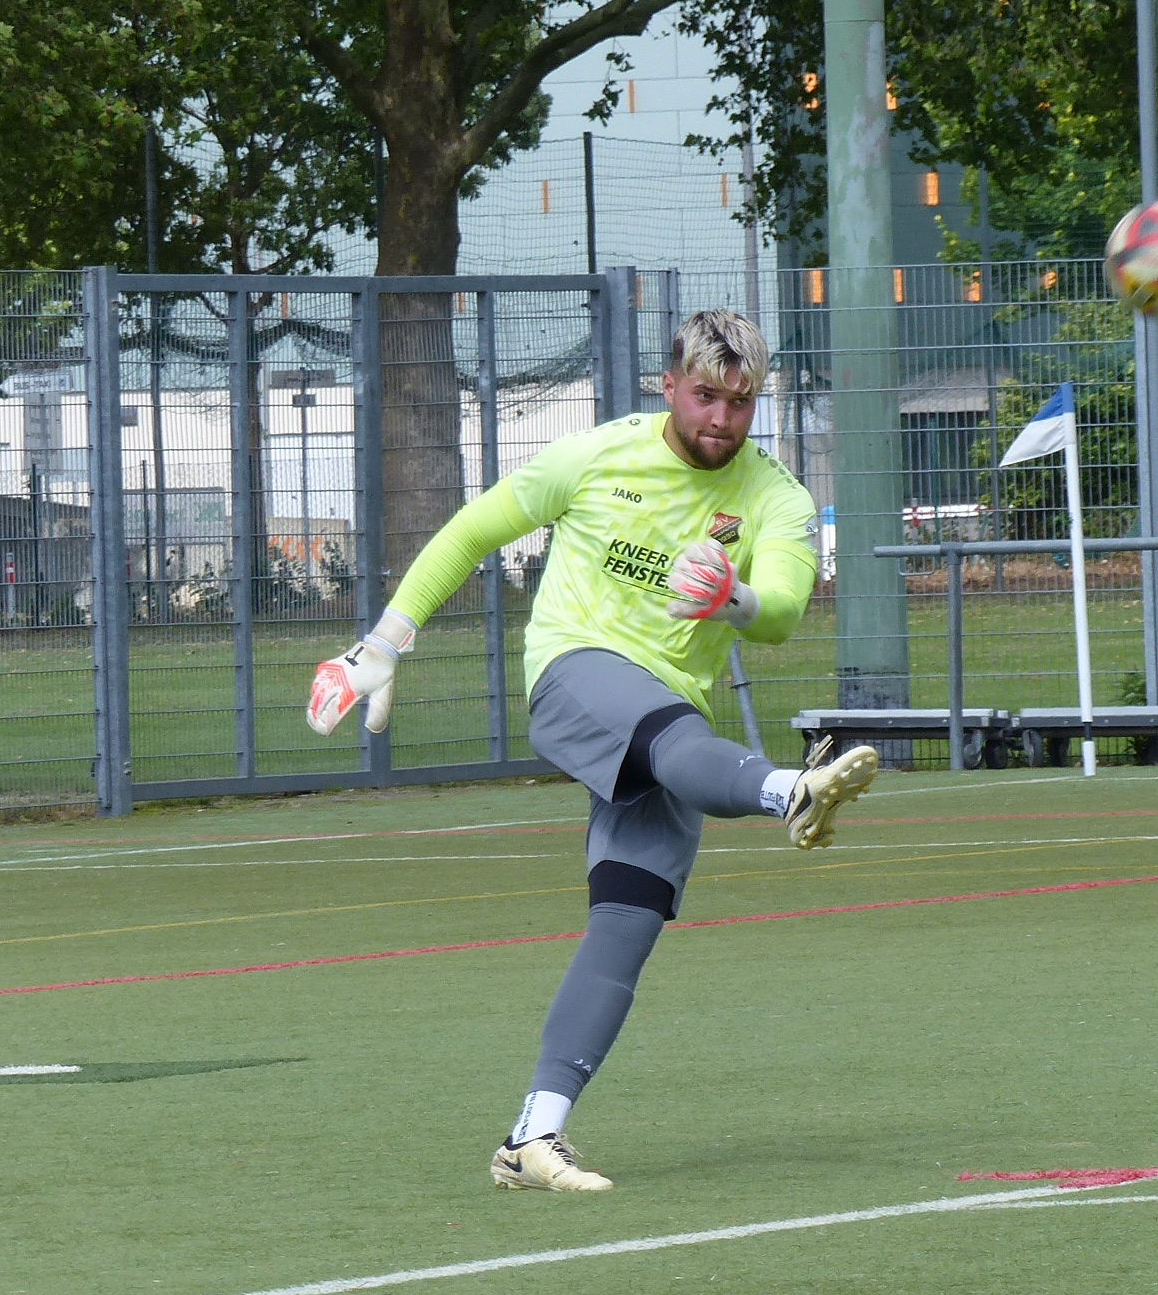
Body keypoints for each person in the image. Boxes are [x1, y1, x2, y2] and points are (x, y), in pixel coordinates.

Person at [308, 308, 879, 1192]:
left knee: (627, 920)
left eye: (740, 402)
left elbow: (781, 612)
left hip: (672, 717)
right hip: (576, 671)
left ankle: (531, 1137)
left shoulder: (778, 498)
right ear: (669, 386)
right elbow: (471, 531)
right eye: (705, 396)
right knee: (676, 739)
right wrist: (385, 642)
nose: (722, 418)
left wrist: (732, 598)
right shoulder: (595, 456)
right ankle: (787, 793)